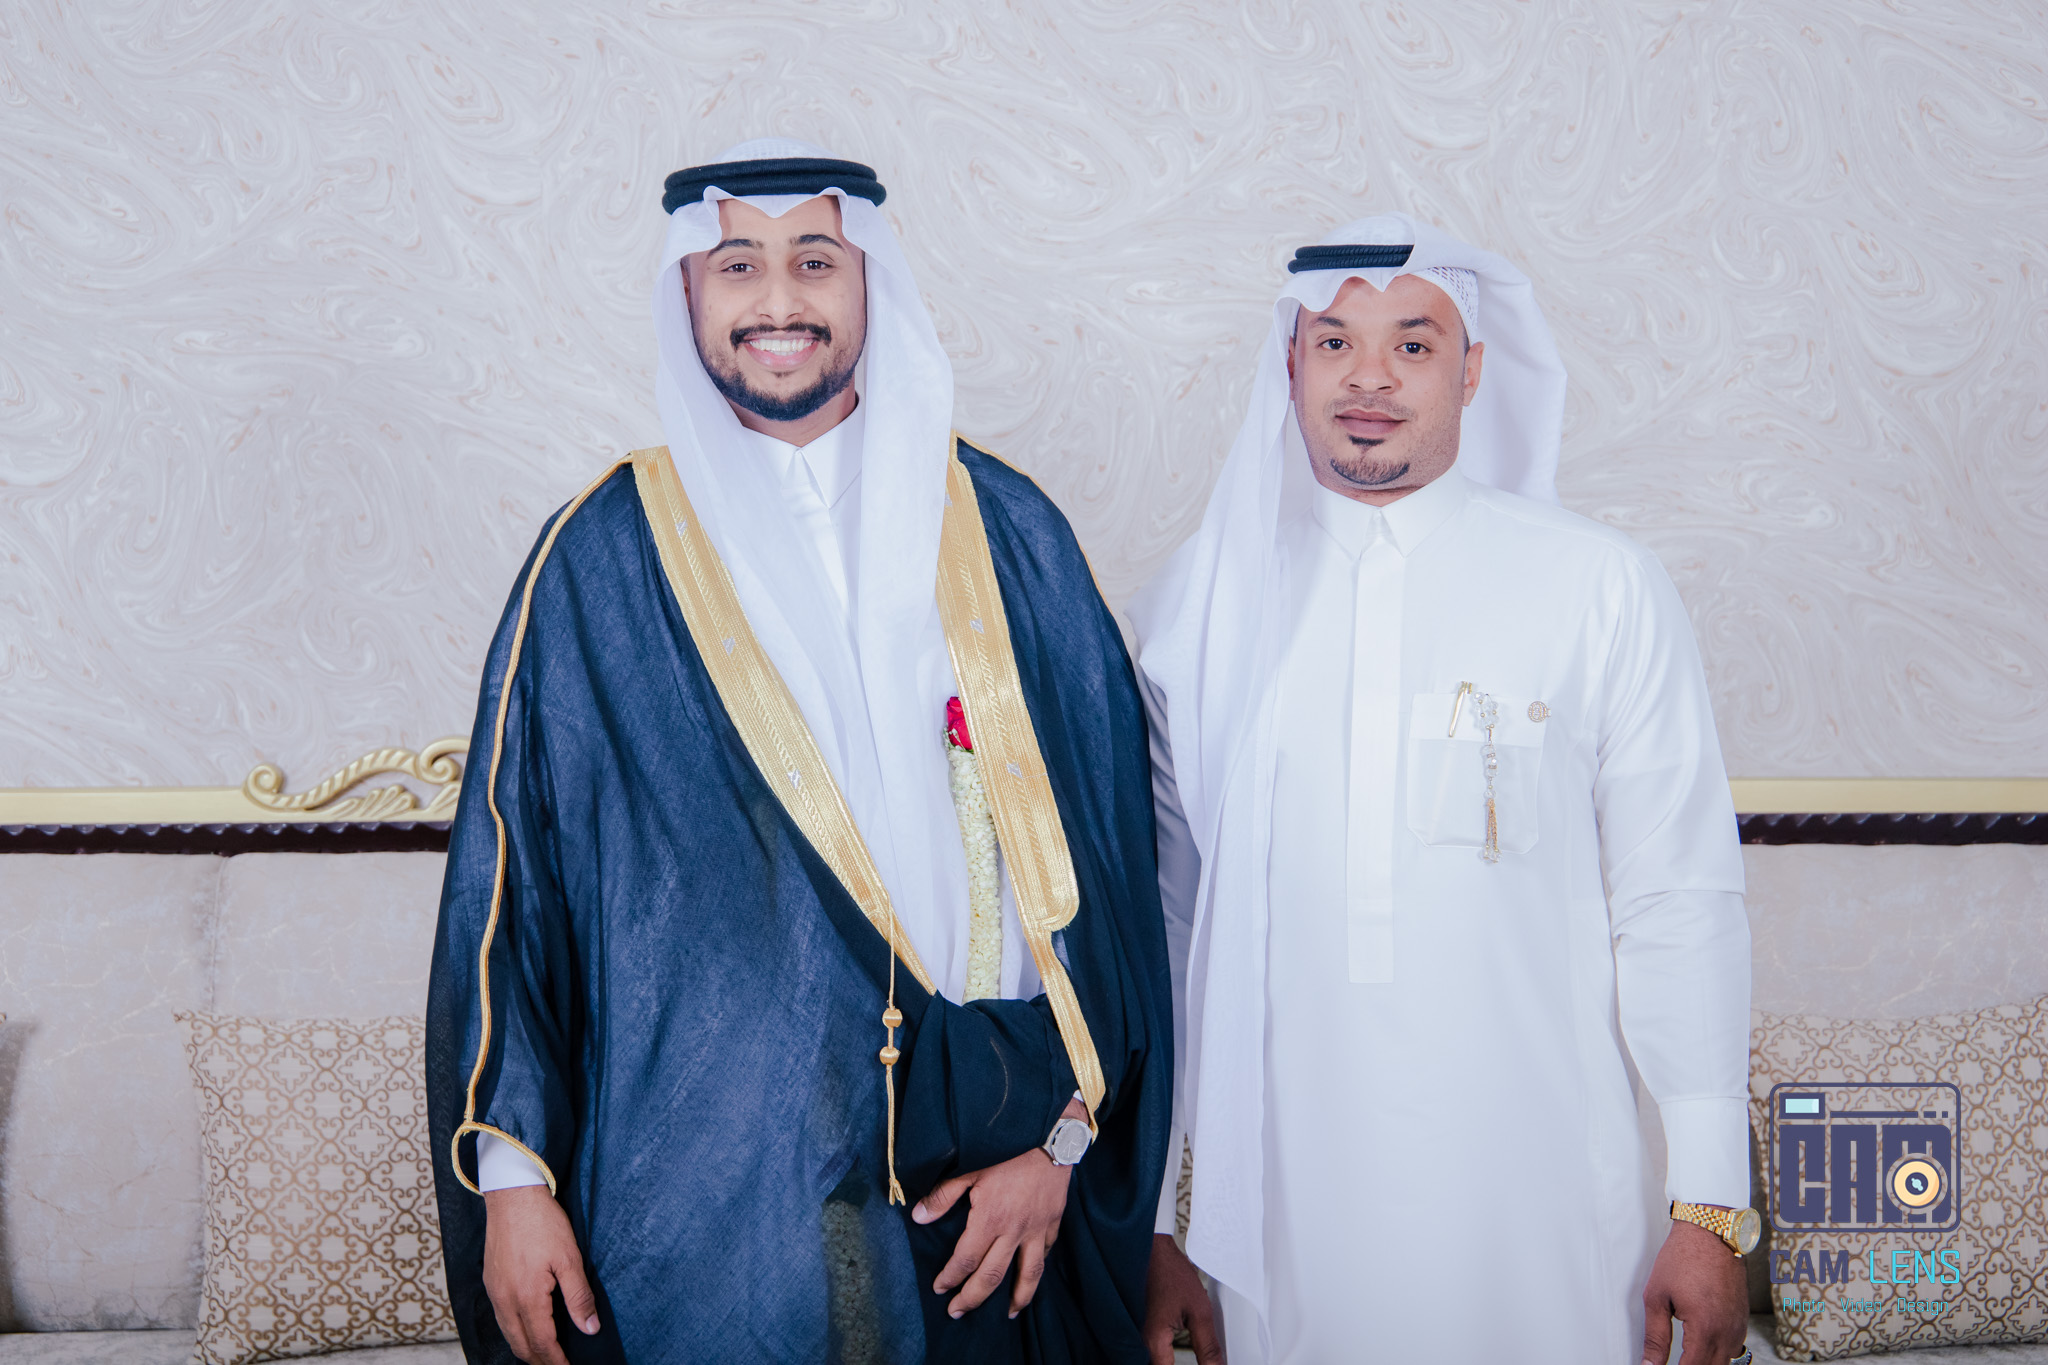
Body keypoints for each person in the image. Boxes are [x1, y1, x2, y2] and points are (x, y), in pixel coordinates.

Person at [425, 138, 1171, 1365]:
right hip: (714, 1176)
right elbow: (513, 893)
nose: (778, 300)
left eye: (814, 261)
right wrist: (513, 1185)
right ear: (687, 292)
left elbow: (1111, 878)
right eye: (738, 266)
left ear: (869, 280)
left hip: (991, 1168)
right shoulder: (599, 560)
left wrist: (1062, 1144)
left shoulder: (1008, 534)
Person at [1133, 216, 1756, 1365]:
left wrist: (1710, 1205)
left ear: (1471, 370)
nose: (1368, 378)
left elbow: (1677, 901)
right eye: (1335, 342)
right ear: (1289, 362)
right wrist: (1163, 1223)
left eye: (1411, 345)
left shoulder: (1597, 588)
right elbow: (1168, 934)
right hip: (1281, 1220)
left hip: (1545, 1210)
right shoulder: (1197, 610)